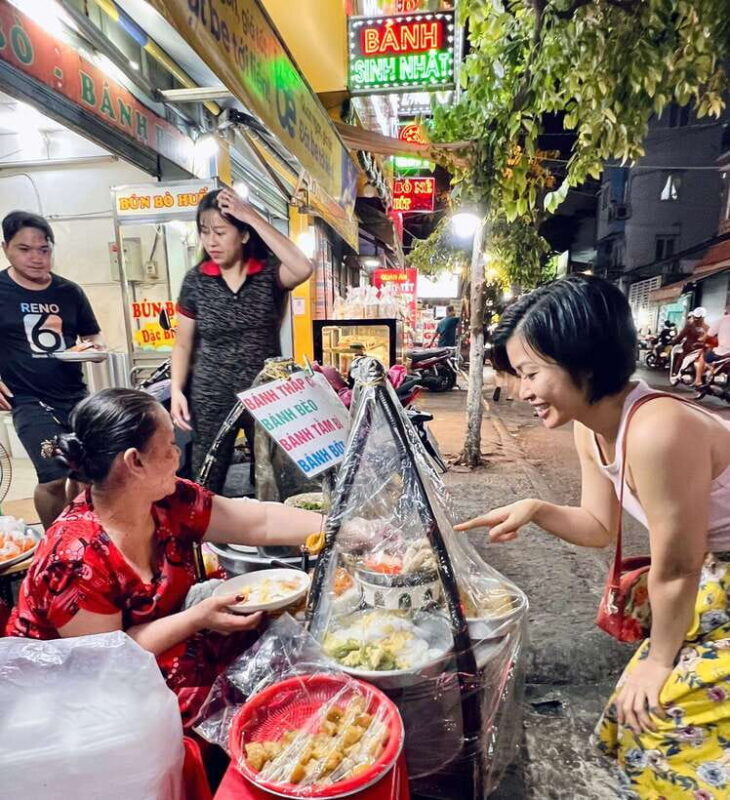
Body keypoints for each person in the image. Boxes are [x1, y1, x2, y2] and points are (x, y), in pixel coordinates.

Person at [456, 275, 730, 798]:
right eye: (518, 374)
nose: (522, 391)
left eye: (531, 372)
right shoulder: (589, 425)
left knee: (670, 711)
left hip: (704, 567)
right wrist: (536, 508)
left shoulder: (658, 429)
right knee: (639, 707)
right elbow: (599, 528)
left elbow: (678, 568)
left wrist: (658, 661)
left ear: (584, 360)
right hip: (716, 565)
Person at [6, 388, 323, 725]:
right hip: (66, 694)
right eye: (170, 446)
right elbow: (107, 658)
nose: (177, 455)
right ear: (135, 462)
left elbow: (260, 522)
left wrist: (340, 525)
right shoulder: (74, 556)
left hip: (147, 648)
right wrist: (197, 618)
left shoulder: (169, 501)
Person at [171, 188, 314, 492]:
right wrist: (176, 391)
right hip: (210, 392)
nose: (211, 241)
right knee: (205, 476)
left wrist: (251, 215)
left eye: (220, 232)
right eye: (205, 232)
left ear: (244, 235)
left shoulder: (269, 274)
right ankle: (202, 538)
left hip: (266, 392)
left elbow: (303, 267)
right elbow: (182, 343)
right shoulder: (195, 281)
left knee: (275, 478)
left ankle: (276, 537)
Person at [0, 210, 104, 528]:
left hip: (75, 395)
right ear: (6, 248)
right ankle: (55, 546)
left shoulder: (69, 292)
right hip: (29, 400)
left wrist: (95, 349)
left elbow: (92, 335)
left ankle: (84, 536)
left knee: (86, 474)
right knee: (53, 475)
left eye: (44, 249)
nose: (36, 258)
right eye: (24, 249)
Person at [695, 307, 730, 391]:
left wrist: (701, 339)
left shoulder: (722, 320)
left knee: (702, 356)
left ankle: (698, 380)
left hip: (722, 351)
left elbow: (709, 335)